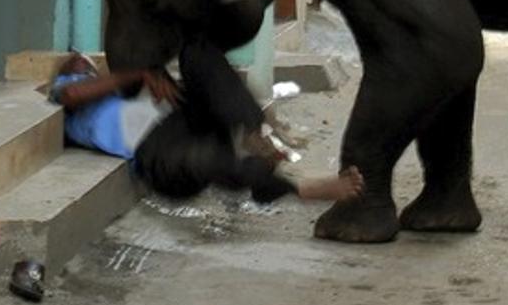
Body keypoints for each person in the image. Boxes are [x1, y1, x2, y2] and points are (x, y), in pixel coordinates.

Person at [50, 49, 365, 204]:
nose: (82, 60)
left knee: (197, 52)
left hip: (175, 123)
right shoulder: (66, 92)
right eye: (78, 62)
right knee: (202, 158)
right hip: (156, 154)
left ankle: (255, 132)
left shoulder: (116, 92)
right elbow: (74, 94)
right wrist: (138, 74)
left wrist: (156, 77)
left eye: (85, 62)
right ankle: (302, 188)